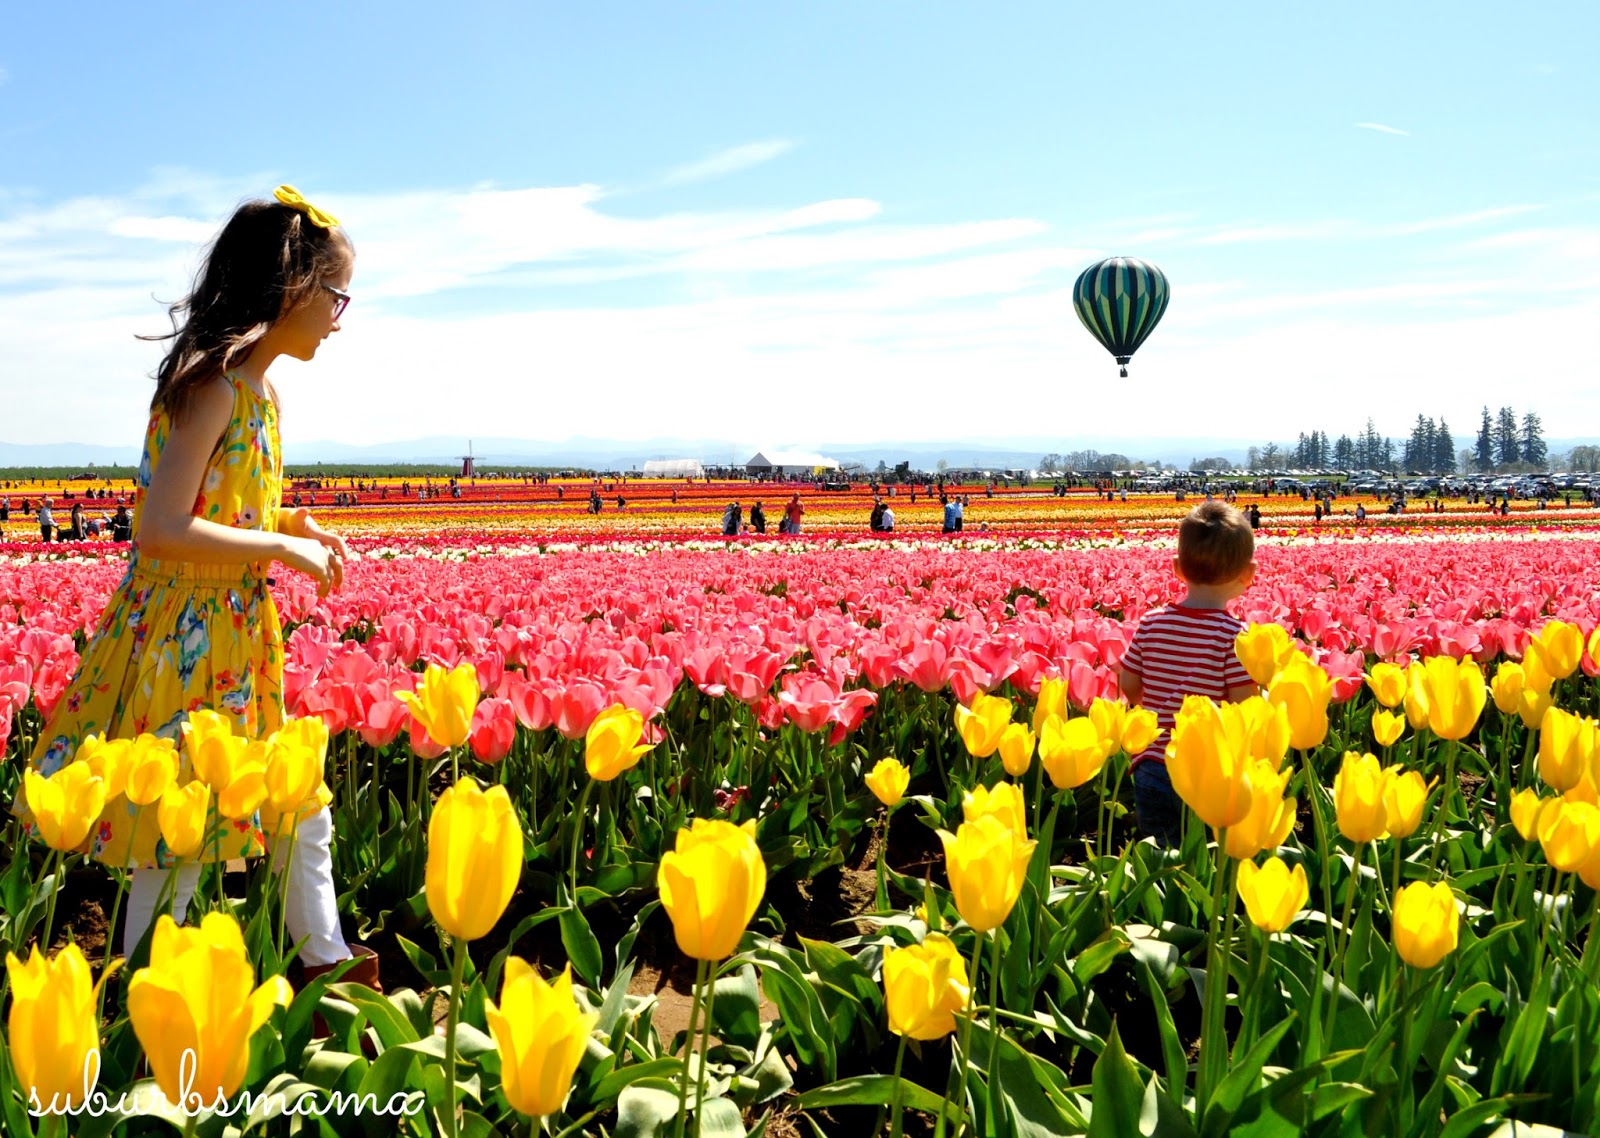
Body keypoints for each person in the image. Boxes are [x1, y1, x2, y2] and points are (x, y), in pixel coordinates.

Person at [10, 185, 378, 992]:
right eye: (336, 295)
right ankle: (152, 996)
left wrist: (297, 526)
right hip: (185, 633)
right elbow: (162, 526)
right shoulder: (210, 386)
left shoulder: (264, 394)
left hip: (239, 630)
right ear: (291, 288)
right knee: (173, 831)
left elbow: (233, 500)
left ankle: (327, 972)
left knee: (293, 804)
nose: (341, 317)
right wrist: (277, 545)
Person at [1118, 502, 1258, 848]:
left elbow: (1129, 684)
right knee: (1203, 855)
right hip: (1205, 767)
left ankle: (1158, 900)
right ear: (1249, 574)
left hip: (1151, 764)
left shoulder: (1151, 623)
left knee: (1160, 851)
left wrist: (1153, 705)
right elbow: (1243, 706)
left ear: (1177, 569)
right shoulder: (1235, 636)